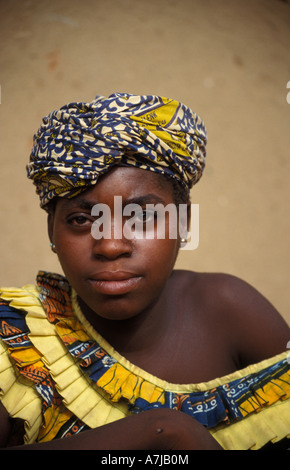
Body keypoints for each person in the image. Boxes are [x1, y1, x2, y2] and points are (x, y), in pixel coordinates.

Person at [0, 93, 289, 450]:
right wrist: (157, 433)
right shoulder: (17, 339)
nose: (110, 245)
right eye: (80, 219)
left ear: (183, 224)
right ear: (51, 232)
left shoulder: (232, 310)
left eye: (142, 217)